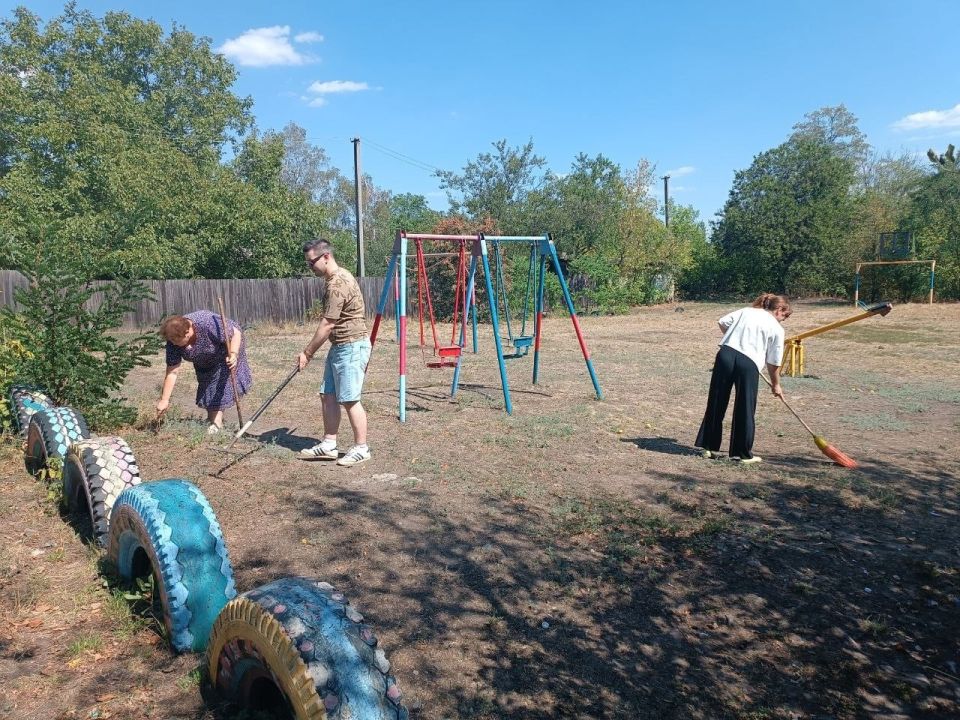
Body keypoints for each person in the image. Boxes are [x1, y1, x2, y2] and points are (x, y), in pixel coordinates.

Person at [297, 238, 372, 467]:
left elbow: (328, 323)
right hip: (339, 345)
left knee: (349, 399)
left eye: (312, 263)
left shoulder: (338, 283)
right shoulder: (332, 280)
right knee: (327, 395)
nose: (310, 268)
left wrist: (307, 353)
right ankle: (329, 444)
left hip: (351, 346)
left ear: (326, 256)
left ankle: (361, 448)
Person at [694, 293, 791, 464]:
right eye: (785, 316)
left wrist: (735, 338)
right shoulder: (777, 328)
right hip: (748, 363)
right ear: (779, 310)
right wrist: (776, 384)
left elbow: (722, 322)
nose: (784, 320)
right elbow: (774, 362)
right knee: (745, 405)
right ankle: (741, 454)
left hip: (725, 354)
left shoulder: (747, 311)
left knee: (717, 400)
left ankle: (708, 447)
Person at [156, 311, 252, 434]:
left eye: (176, 340)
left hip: (228, 346)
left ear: (187, 333)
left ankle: (216, 425)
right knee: (206, 381)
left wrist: (233, 354)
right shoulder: (173, 341)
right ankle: (213, 421)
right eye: (171, 341)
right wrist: (164, 400)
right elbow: (172, 373)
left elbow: (235, 333)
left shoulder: (206, 323)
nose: (173, 343)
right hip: (204, 358)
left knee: (221, 380)